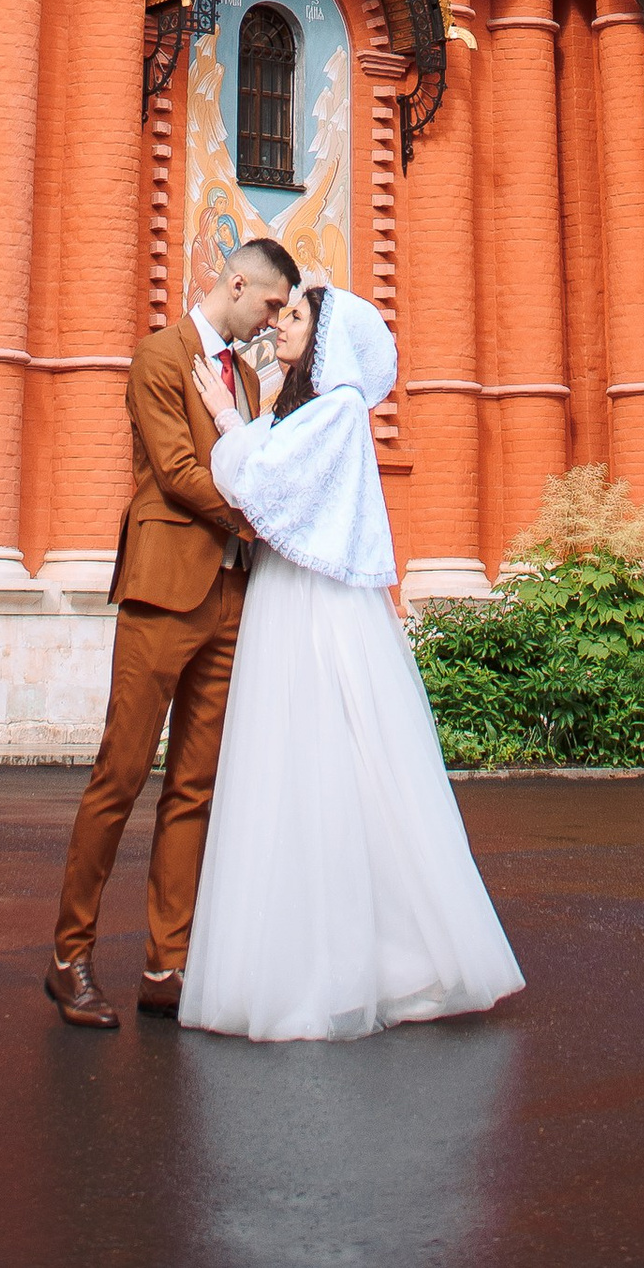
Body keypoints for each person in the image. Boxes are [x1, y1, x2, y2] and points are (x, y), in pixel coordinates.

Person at [178, 276, 524, 1042]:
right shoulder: (309, 410)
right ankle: (335, 956)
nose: (283, 325)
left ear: (329, 338)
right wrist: (245, 418)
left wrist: (228, 417)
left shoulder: (333, 410)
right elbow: (271, 460)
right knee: (304, 771)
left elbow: (264, 477)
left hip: (315, 610)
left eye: (297, 316)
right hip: (299, 597)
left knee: (325, 765)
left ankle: (344, 966)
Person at [45, 236, 296, 1028]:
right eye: (269, 305)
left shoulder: (250, 381)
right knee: (120, 774)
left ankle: (167, 962)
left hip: (229, 594)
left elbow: (254, 463)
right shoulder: (160, 356)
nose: (271, 321)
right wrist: (262, 519)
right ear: (237, 283)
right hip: (163, 588)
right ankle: (68, 957)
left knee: (195, 787)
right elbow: (181, 470)